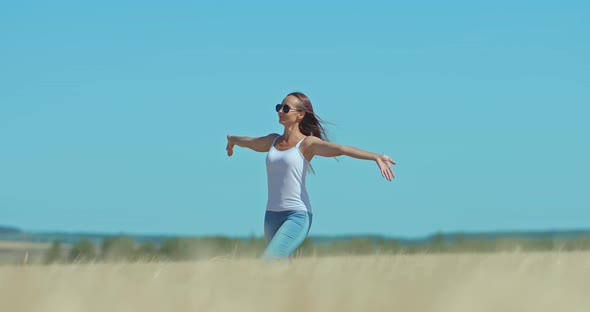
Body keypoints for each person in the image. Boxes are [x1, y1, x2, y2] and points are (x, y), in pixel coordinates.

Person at [226, 92, 396, 260]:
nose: (280, 111)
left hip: (297, 215)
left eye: (286, 108)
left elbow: (341, 149)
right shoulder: (272, 141)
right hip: (271, 215)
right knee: (280, 268)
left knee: (270, 259)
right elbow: (250, 141)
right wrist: (232, 139)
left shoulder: (307, 144)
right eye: (279, 107)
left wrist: (375, 156)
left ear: (300, 114)